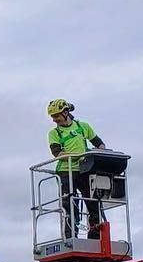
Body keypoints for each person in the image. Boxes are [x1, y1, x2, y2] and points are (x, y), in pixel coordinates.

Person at [46, 98, 108, 238]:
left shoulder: (83, 126)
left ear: (66, 112)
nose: (55, 120)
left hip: (84, 170)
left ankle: (95, 237)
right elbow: (58, 153)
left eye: (56, 116)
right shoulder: (54, 133)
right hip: (65, 172)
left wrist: (98, 153)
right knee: (70, 205)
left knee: (93, 203)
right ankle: (71, 237)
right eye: (53, 117)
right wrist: (80, 155)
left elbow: (100, 144)